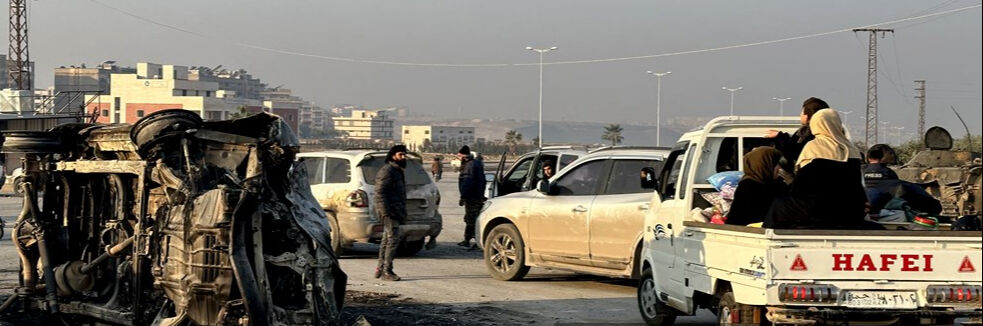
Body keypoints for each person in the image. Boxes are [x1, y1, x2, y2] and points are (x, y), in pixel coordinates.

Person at [765, 109, 868, 229]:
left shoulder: (814, 147)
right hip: (849, 210)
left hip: (817, 209)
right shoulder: (851, 149)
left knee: (780, 205)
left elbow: (801, 186)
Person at [864, 144, 942, 216]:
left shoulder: (858, 178)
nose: (892, 156)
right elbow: (934, 206)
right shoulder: (900, 185)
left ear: (869, 158)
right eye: (890, 153)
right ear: (884, 157)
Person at [726, 147, 788, 226]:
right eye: (777, 164)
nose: (780, 168)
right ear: (765, 164)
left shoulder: (777, 184)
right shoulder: (748, 187)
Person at [765, 97, 829, 172]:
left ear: (807, 116)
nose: (800, 115)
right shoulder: (832, 134)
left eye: (802, 112)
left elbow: (795, 152)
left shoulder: (808, 134)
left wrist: (781, 137)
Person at [373, 145, 408, 281]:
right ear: (393, 155)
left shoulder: (397, 170)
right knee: (392, 239)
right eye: (400, 154)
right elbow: (379, 193)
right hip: (389, 211)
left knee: (387, 239)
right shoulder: (387, 171)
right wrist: (385, 212)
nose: (403, 157)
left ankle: (380, 268)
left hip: (395, 210)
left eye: (404, 154)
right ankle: (387, 270)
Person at [457, 145, 487, 248]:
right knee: (472, 218)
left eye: (459, 156)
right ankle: (468, 239)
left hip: (472, 197)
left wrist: (463, 197)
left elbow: (467, 182)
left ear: (463, 156)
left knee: (471, 219)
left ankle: (474, 240)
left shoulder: (469, 166)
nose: (458, 158)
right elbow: (482, 180)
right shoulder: (476, 163)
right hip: (477, 196)